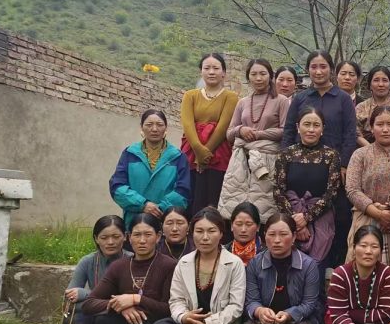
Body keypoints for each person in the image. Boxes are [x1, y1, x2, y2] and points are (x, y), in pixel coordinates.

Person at [280, 50, 357, 267]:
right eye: (314, 67)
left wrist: (343, 164)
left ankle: (330, 266)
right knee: (297, 210)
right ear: (307, 70)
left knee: (335, 217)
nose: (318, 71)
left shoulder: (342, 98)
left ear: (331, 70)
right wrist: (286, 160)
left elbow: (350, 133)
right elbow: (288, 131)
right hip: (300, 167)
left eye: (323, 66)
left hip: (331, 169)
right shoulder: (301, 98)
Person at [146, 207, 246, 324]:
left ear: (221, 233)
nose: (205, 237)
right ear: (192, 233)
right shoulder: (185, 262)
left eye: (211, 231)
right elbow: (176, 300)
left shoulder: (234, 263)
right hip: (190, 321)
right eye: (199, 231)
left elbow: (236, 307)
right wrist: (184, 316)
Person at [83, 214, 177, 324]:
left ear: (158, 236)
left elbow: (170, 308)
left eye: (148, 235)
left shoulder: (170, 265)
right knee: (102, 320)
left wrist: (137, 299)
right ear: (128, 237)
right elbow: (89, 303)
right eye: (137, 235)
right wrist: (120, 306)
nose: (142, 241)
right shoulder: (119, 267)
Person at [242, 212, 324, 324]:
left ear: (294, 237)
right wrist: (259, 311)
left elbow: (309, 303)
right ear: (264, 237)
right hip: (266, 319)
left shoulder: (309, 265)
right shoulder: (255, 264)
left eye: (283, 234)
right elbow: (251, 300)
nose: (277, 240)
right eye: (271, 235)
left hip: (299, 320)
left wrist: (289, 314)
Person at [345, 105, 390, 272]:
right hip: (366, 218)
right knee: (362, 272)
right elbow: (352, 189)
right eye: (379, 124)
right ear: (371, 128)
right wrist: (377, 213)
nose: (385, 129)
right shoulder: (360, 154)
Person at [218, 58, 291, 219]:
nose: (258, 78)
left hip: (268, 160)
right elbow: (229, 134)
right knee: (237, 209)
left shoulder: (282, 101)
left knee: (266, 209)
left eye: (263, 74)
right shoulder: (243, 102)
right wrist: (240, 129)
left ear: (271, 76)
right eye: (254, 74)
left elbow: (286, 131)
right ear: (248, 77)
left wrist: (259, 135)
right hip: (241, 161)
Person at [59, 215, 130, 324]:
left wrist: (85, 293)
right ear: (96, 239)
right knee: (78, 311)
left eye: (116, 237)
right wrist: (95, 300)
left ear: (125, 237)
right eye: (104, 237)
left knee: (94, 312)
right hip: (101, 308)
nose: (110, 242)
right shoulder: (88, 261)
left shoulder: (132, 259)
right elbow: (70, 296)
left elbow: (129, 296)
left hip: (124, 311)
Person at [274, 107, 342, 263]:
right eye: (307, 124)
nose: (311, 129)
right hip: (290, 217)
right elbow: (278, 190)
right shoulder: (286, 154)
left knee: (317, 268)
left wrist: (306, 217)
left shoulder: (331, 156)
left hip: (321, 218)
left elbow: (331, 193)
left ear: (323, 129)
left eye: (316, 125)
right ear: (298, 127)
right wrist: (296, 223)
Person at [110, 109, 191, 228]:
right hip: (134, 222)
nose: (154, 129)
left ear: (166, 128)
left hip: (167, 223)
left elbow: (183, 191)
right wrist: (143, 204)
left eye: (159, 125)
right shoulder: (130, 153)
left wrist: (159, 209)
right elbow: (117, 187)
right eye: (149, 125)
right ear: (142, 128)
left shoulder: (178, 157)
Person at [180, 52, 239, 216]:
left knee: (215, 198)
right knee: (192, 197)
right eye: (207, 68)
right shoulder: (190, 95)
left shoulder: (231, 97)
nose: (211, 72)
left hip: (218, 154)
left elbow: (223, 127)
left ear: (224, 73)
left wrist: (205, 154)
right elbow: (187, 125)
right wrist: (199, 151)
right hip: (192, 153)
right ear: (201, 71)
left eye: (216, 68)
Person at [355, 65, 390, 146]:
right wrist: (372, 150)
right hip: (366, 151)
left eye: (385, 80)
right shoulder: (361, 107)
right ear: (370, 85)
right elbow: (357, 134)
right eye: (376, 80)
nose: (381, 84)